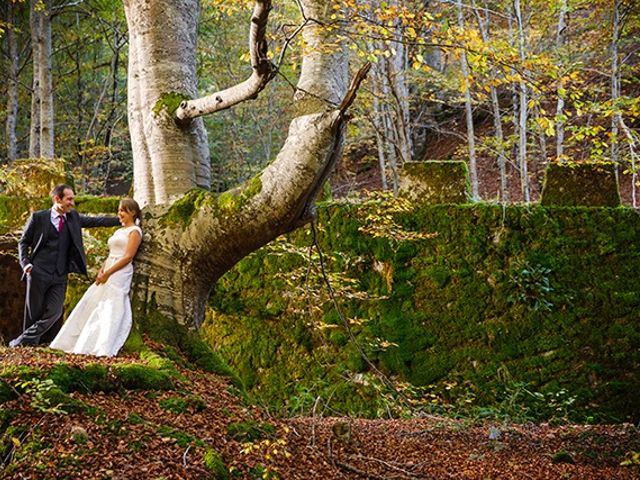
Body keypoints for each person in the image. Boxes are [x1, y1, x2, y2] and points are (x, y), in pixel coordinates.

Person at [10, 184, 120, 348]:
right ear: (57, 199)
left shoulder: (73, 217)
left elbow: (96, 221)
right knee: (33, 311)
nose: (72, 203)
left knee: (55, 312)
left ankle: (21, 341)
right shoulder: (38, 218)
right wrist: (25, 263)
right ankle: (29, 347)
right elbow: (23, 242)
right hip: (38, 271)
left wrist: (123, 220)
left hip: (60, 274)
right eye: (69, 199)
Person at [49, 198, 142, 357]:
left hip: (120, 271)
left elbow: (127, 257)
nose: (119, 214)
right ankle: (75, 341)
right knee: (94, 300)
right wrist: (101, 270)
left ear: (132, 212)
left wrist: (109, 272)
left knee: (111, 303)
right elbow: (111, 253)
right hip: (108, 267)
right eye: (119, 211)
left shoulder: (134, 231)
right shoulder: (119, 231)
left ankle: (103, 345)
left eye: (123, 211)